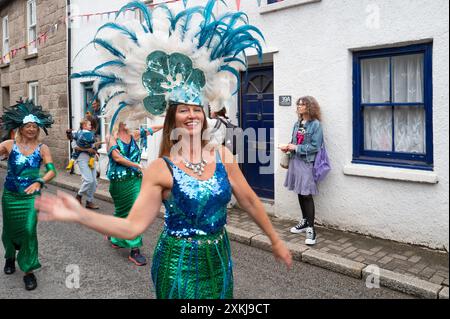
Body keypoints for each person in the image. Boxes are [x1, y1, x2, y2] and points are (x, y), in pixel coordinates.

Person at [36, 0, 292, 299]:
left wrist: (274, 239)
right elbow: (132, 227)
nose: (192, 115)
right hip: (178, 266)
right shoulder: (161, 168)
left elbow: (248, 199)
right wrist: (80, 215)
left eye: (197, 109)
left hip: (220, 260)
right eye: (184, 110)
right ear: (173, 118)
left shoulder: (223, 156)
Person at [0, 100, 56, 291]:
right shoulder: (9, 145)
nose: (32, 129)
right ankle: (9, 256)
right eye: (28, 126)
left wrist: (40, 181)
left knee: (29, 231)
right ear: (21, 128)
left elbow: (51, 171)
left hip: (31, 197)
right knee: (9, 228)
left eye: (34, 126)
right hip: (10, 196)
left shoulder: (42, 148)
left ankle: (28, 271)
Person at [105, 121, 162, 266]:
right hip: (119, 183)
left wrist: (168, 122)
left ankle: (135, 249)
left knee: (136, 212)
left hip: (135, 181)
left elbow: (153, 128)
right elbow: (117, 157)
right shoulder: (111, 137)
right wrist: (137, 165)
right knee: (122, 211)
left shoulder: (134, 134)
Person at [281, 96, 323, 245]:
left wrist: (296, 148)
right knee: (300, 191)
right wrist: (288, 146)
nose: (299, 106)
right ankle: (304, 222)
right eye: (298, 104)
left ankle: (311, 229)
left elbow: (315, 147)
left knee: (306, 194)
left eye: (302, 104)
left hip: (306, 162)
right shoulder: (297, 124)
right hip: (295, 161)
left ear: (309, 107)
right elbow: (294, 141)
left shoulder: (315, 125)